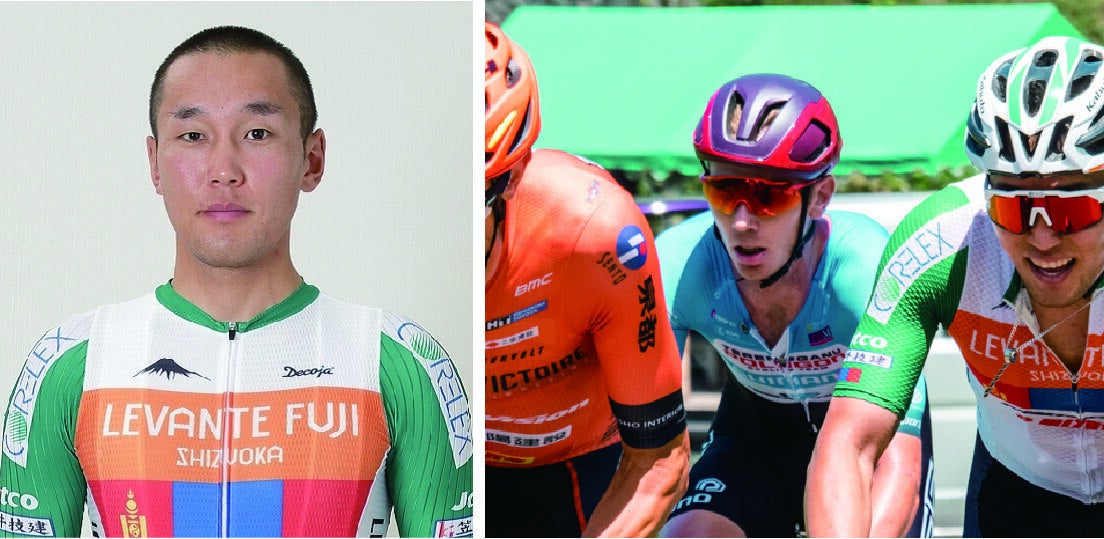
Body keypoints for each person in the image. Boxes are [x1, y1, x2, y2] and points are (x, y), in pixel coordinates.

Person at [0, 26, 472, 538]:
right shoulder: (72, 363)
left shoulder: (398, 362)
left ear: (311, 159)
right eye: (193, 136)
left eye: (257, 134)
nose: (223, 171)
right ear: (154, 163)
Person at [805, 36, 1104, 538]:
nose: (1043, 238)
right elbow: (850, 443)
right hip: (1020, 488)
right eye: (1013, 208)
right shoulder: (941, 245)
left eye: (1072, 209)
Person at [654, 73, 933, 538]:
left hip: (869, 442)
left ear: (820, 197)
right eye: (724, 192)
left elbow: (898, 460)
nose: (742, 222)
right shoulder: (679, 265)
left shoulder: (863, 269)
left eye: (768, 196)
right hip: (754, 441)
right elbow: (644, 449)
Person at [482, 23, 688, 538]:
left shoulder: (597, 235)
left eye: (472, 199)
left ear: (511, 177)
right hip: (452, 462)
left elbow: (661, 459)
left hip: (582, 466)